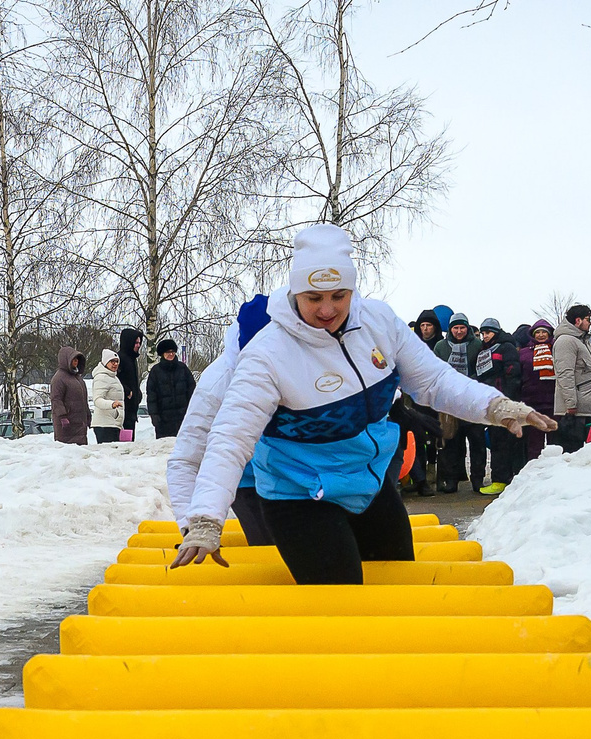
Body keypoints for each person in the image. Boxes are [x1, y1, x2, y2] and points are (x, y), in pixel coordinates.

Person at [176, 224, 552, 582]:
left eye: (338, 296)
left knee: (396, 579)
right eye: (314, 298)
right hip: (298, 493)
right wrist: (206, 519)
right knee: (341, 588)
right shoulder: (267, 354)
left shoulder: (380, 323)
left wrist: (496, 406)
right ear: (294, 294)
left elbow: (435, 382)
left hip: (367, 483)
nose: (327, 309)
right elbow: (230, 439)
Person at [165, 294, 276, 545]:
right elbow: (185, 460)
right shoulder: (217, 383)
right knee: (272, 550)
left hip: (303, 475)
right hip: (249, 479)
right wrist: (191, 526)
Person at [433, 311, 490, 492]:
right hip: (449, 402)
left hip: (472, 399)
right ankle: (451, 480)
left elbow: (483, 370)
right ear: (450, 329)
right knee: (451, 443)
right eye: (455, 328)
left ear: (468, 328)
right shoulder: (441, 346)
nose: (459, 331)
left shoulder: (478, 345)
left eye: (462, 327)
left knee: (477, 441)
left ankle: (477, 479)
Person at [475, 319, 528, 491]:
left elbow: (513, 375)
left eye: (488, 333)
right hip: (490, 402)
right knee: (496, 441)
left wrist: (506, 398)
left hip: (503, 402)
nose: (485, 336)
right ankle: (502, 478)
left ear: (496, 332)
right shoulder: (484, 350)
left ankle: (503, 480)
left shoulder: (506, 348)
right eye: (483, 333)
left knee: (503, 442)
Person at [553, 304, 591, 451]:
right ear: (578, 320)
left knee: (589, 453)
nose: (590, 323)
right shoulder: (566, 341)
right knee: (573, 454)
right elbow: (564, 374)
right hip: (576, 410)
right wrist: (571, 403)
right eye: (588, 319)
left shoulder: (583, 341)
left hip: (587, 406)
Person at [518, 319, 560, 463]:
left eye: (544, 332)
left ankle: (554, 471)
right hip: (532, 402)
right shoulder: (524, 353)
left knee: (554, 443)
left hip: (554, 402)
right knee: (534, 443)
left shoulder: (557, 350)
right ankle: (533, 472)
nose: (541, 335)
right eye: (538, 332)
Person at [144, 337, 194, 437]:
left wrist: (192, 410)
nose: (171, 354)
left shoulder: (183, 368)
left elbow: (192, 390)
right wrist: (154, 414)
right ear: (162, 354)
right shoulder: (155, 371)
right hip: (163, 421)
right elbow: (151, 395)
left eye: (172, 351)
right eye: (167, 352)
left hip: (183, 418)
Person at [49, 345, 88, 444]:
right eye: (73, 359)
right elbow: (56, 399)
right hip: (66, 426)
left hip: (79, 425)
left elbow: (83, 400)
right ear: (65, 360)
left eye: (77, 359)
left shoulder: (78, 378)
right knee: (68, 455)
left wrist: (88, 415)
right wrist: (62, 416)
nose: (76, 361)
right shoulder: (58, 379)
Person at [116, 326, 146, 438]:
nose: (138, 345)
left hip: (132, 410)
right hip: (122, 410)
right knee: (124, 445)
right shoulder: (120, 358)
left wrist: (138, 394)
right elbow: (114, 380)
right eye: (136, 342)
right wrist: (127, 391)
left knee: (129, 441)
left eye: (139, 343)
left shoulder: (132, 360)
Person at [89, 350, 126, 443]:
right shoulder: (101, 377)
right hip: (104, 425)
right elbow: (97, 400)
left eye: (117, 361)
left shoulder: (113, 377)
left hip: (113, 424)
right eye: (112, 361)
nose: (115, 364)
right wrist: (112, 404)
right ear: (105, 362)